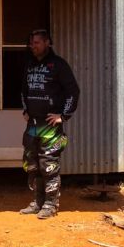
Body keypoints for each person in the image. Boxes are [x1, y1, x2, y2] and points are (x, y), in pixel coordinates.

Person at [19, 29, 80, 220]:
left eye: (36, 42)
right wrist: (26, 110)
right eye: (31, 43)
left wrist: (64, 115)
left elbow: (73, 91)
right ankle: (37, 202)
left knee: (49, 165)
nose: (33, 46)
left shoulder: (59, 65)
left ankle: (51, 204)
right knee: (32, 165)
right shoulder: (29, 65)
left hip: (50, 127)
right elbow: (23, 91)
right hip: (32, 126)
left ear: (47, 43)